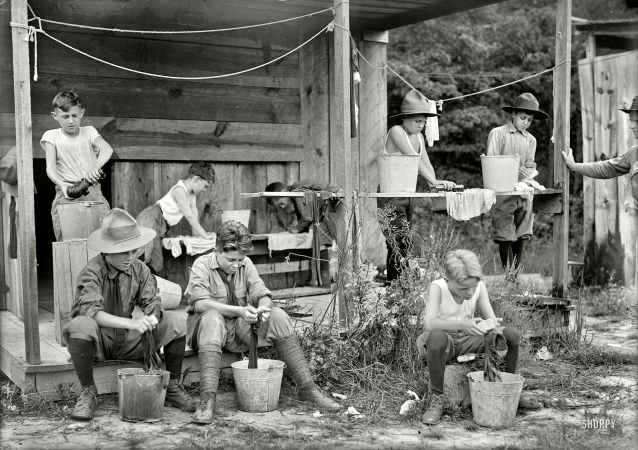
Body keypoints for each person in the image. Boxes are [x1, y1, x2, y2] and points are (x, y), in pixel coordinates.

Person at [184, 220, 340, 424]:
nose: (236, 265)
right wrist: (240, 311)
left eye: (240, 260)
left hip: (237, 330)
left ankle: (308, 390)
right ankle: (207, 400)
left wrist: (263, 309)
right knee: (213, 318)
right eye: (231, 260)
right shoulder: (201, 265)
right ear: (217, 250)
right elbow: (201, 304)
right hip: (206, 332)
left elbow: (262, 294)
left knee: (279, 315)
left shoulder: (245, 264)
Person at [63, 208, 197, 420]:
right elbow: (92, 312)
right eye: (124, 251)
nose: (130, 257)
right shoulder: (92, 272)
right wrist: (132, 323)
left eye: (134, 250)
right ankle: (88, 392)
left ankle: (171, 386)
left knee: (175, 322)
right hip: (101, 342)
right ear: (107, 251)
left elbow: (152, 301)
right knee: (80, 326)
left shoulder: (140, 269)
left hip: (131, 342)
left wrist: (151, 318)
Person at [416, 249, 542, 425]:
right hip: (444, 342)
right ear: (448, 279)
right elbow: (429, 323)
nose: (469, 292)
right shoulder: (438, 287)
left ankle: (509, 388)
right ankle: (437, 398)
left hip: (470, 337)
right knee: (435, 336)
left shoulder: (479, 287)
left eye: (473, 287)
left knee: (511, 335)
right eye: (463, 288)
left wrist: (490, 325)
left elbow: (491, 319)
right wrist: (463, 325)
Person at [378, 89, 455, 284]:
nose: (420, 125)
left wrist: (435, 185)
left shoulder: (419, 138)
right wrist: (433, 182)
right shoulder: (397, 131)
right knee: (397, 242)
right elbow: (414, 161)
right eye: (416, 121)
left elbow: (426, 163)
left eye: (423, 122)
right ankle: (396, 288)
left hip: (407, 194)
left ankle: (400, 287)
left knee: (406, 243)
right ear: (405, 118)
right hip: (390, 195)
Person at [487, 93, 548, 275]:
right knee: (505, 234)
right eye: (522, 118)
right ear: (513, 114)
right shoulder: (498, 134)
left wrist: (528, 170)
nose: (525, 123)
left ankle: (516, 276)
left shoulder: (531, 140)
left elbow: (529, 163)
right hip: (503, 191)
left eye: (529, 120)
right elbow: (491, 164)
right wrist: (514, 169)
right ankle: (508, 276)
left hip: (523, 192)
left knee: (522, 234)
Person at [41, 91, 113, 241]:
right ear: (55, 116)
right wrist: (62, 185)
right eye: (65, 117)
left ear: (82, 113)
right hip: (67, 194)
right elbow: (50, 168)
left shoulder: (89, 132)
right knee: (68, 244)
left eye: (74, 115)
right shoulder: (51, 136)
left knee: (102, 240)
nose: (71, 121)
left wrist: (95, 167)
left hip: (93, 192)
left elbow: (107, 149)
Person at [136, 162, 217, 274]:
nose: (205, 190)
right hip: (152, 217)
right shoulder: (179, 190)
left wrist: (197, 238)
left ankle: (147, 284)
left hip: (162, 226)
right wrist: (204, 235)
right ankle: (135, 282)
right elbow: (188, 216)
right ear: (197, 179)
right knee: (144, 254)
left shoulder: (191, 195)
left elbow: (194, 214)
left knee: (157, 263)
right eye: (205, 186)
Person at [562, 95, 638, 206]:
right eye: (631, 121)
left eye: (636, 121)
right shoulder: (634, 153)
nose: (632, 126)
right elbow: (606, 168)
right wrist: (574, 166)